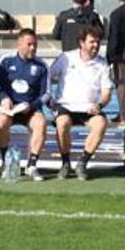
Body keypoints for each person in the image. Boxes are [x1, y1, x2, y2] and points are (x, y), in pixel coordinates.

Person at [49, 28, 113, 180]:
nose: (96, 45)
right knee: (62, 123)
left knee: (101, 123)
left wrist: (100, 105)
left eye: (98, 42)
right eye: (92, 42)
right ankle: (65, 163)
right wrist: (49, 99)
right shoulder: (66, 58)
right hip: (66, 106)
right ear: (81, 43)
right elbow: (47, 77)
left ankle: (83, 162)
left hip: (89, 109)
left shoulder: (103, 64)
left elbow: (107, 93)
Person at [0, 28, 50, 180]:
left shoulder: (42, 66)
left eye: (35, 45)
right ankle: (6, 162)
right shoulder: (5, 61)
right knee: (0, 120)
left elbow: (46, 94)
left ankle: (32, 165)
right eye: (29, 44)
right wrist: (4, 97)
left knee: (41, 123)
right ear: (19, 44)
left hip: (30, 109)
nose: (33, 48)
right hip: (9, 108)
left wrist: (30, 106)